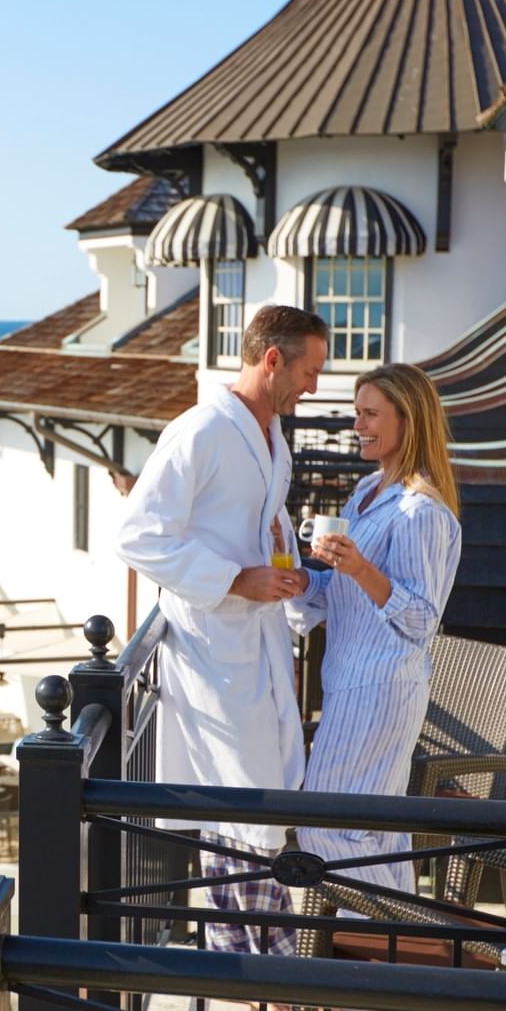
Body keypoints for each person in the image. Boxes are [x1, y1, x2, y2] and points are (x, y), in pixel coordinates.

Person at [115, 304, 328, 955]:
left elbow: (263, 521)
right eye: (310, 371)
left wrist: (283, 559)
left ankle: (241, 960)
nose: (314, 386)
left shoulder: (271, 437)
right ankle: (268, 969)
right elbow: (137, 536)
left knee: (246, 805)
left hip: (256, 640)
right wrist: (237, 580)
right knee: (246, 807)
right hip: (212, 647)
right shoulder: (201, 431)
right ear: (273, 360)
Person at [289, 362, 463, 895]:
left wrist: (359, 566)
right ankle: (399, 939)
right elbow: (343, 595)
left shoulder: (419, 512)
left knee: (325, 827)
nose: (357, 426)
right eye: (356, 413)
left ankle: (378, 931)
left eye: (370, 414)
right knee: (374, 831)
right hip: (350, 681)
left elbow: (421, 619)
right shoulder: (368, 489)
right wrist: (296, 578)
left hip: (380, 687)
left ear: (408, 420)